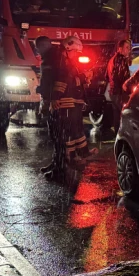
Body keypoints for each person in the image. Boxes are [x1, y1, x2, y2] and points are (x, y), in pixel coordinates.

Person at [46, 36, 92, 180]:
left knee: (67, 135)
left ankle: (66, 164)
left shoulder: (67, 65)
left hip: (68, 105)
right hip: (69, 105)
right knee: (69, 134)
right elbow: (67, 82)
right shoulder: (68, 65)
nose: (75, 55)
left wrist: (54, 98)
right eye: (74, 52)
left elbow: (66, 82)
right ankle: (70, 161)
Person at [36, 36, 59, 174]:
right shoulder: (51, 57)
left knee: (57, 135)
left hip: (53, 101)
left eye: (39, 47)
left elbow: (53, 80)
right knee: (55, 135)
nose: (39, 49)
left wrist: (50, 97)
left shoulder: (52, 59)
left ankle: (59, 167)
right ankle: (56, 163)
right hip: (50, 99)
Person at [106, 39, 132, 132]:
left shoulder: (111, 60)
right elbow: (124, 79)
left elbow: (106, 76)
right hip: (120, 94)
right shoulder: (121, 60)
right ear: (120, 48)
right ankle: (123, 136)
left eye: (129, 48)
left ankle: (117, 136)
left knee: (116, 116)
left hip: (113, 93)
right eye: (127, 47)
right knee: (124, 115)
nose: (129, 50)